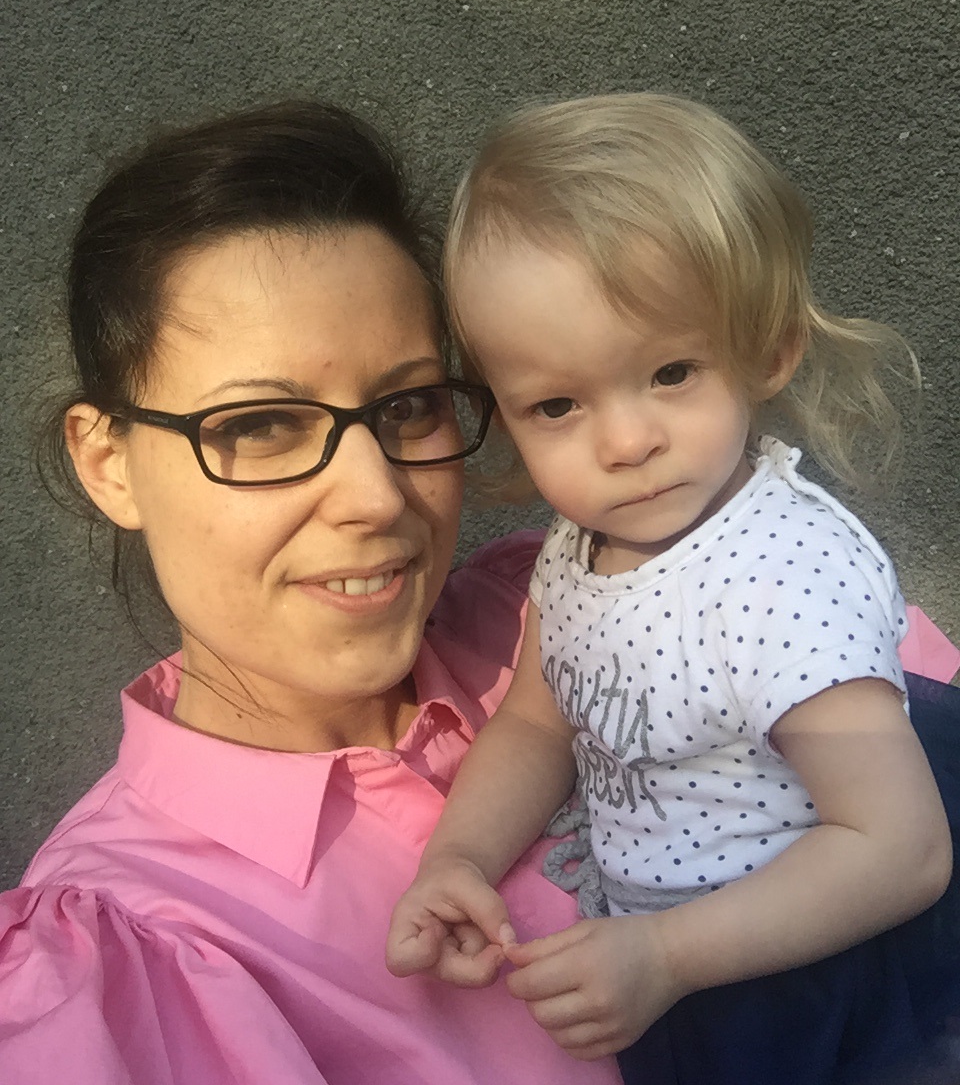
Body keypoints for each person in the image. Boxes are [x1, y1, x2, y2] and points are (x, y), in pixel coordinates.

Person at [0, 102, 624, 1085]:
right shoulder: (115, 967)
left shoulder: (565, 608)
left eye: (408, 405)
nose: (376, 494)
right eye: (260, 425)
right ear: (108, 463)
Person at [386, 93, 960, 1084]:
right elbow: (536, 723)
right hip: (665, 950)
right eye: (557, 403)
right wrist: (459, 859)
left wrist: (668, 955)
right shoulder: (578, 550)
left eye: (670, 372)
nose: (625, 440)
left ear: (765, 347)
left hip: (805, 961)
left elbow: (900, 848)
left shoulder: (776, 585)